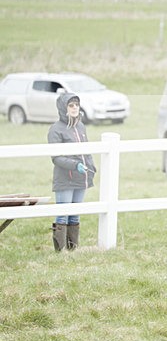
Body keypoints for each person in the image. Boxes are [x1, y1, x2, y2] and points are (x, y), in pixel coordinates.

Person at [48, 92, 96, 251]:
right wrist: (75, 165)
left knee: (75, 214)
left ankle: (73, 250)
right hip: (65, 179)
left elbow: (86, 150)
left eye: (76, 104)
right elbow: (56, 157)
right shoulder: (55, 129)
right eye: (71, 105)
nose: (75, 108)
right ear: (64, 108)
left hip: (81, 178)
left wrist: (91, 167)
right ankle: (60, 252)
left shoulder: (81, 126)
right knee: (63, 214)